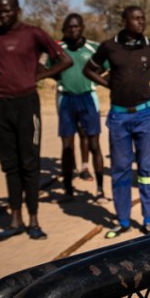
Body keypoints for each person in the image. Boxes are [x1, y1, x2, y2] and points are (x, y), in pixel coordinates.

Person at [0, 0, 72, 241]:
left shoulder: (33, 34)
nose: (4, 15)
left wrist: (38, 76)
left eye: (8, 10)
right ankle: (15, 220)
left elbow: (65, 60)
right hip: (1, 106)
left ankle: (34, 221)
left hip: (27, 105)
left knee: (30, 163)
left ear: (18, 9)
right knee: (10, 164)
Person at [84, 6, 150, 237]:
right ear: (123, 20)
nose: (141, 22)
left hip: (145, 116)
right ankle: (123, 220)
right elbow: (89, 70)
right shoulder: (109, 46)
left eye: (143, 18)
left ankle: (147, 220)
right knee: (120, 169)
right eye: (136, 18)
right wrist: (109, 85)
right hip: (118, 117)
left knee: (146, 170)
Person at [50, 13, 105, 201]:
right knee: (66, 146)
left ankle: (100, 189)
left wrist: (96, 78)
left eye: (76, 26)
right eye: (69, 27)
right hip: (65, 98)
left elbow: (107, 65)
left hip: (88, 98)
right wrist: (59, 78)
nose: (73, 30)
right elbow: (46, 68)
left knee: (94, 144)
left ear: (82, 27)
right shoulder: (57, 49)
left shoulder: (94, 47)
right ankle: (68, 190)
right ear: (64, 29)